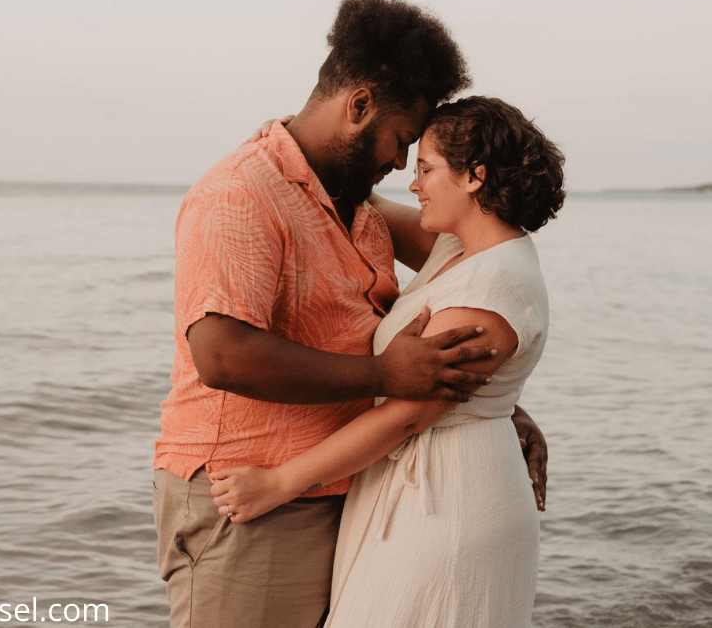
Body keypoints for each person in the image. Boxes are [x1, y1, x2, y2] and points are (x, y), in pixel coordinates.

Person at [153, 0, 547, 628]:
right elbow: (222, 355)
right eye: (400, 142)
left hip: (336, 484)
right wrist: (388, 378)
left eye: (419, 155)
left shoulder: (358, 208)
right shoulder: (239, 194)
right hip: (247, 491)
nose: (400, 165)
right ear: (358, 105)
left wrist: (496, 403)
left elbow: (473, 279)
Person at [210, 96, 565, 627]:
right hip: (425, 486)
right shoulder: (461, 250)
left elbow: (406, 414)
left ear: (475, 177)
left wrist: (280, 483)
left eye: (425, 168)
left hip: (448, 502)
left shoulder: (491, 283)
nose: (414, 182)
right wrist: (291, 144)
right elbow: (362, 201)